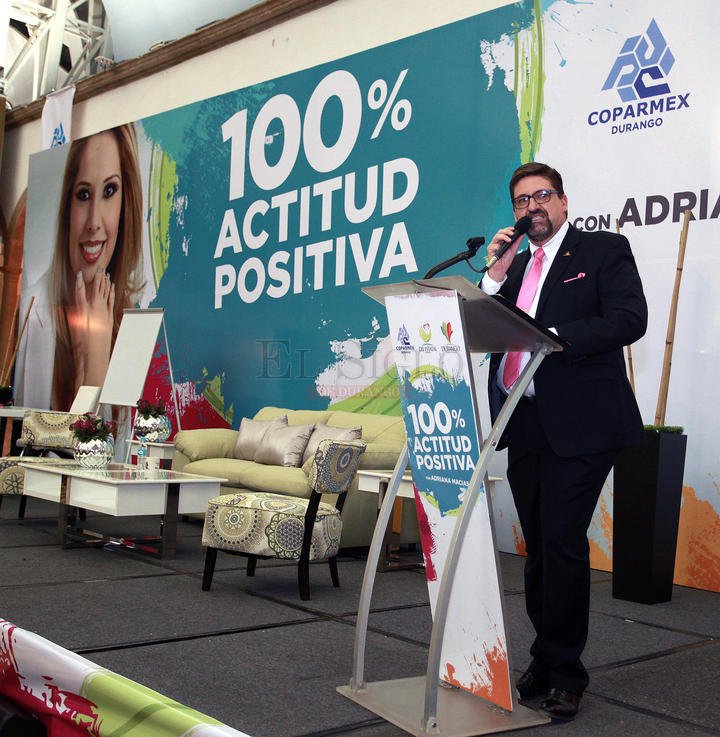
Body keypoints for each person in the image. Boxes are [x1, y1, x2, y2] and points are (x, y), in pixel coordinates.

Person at [480, 162, 647, 720]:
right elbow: (480, 329)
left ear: (564, 201)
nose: (533, 207)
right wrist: (493, 276)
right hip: (524, 423)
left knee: (561, 543)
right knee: (538, 551)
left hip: (582, 425)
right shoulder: (513, 267)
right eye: (521, 201)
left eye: (542, 195)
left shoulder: (602, 251)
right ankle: (546, 658)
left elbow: (629, 319)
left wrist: (552, 337)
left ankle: (566, 674)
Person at [48, 124, 144, 411]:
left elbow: (103, 437)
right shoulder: (40, 317)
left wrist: (97, 349)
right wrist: (86, 355)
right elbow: (79, 432)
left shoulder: (135, 325)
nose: (93, 222)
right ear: (67, 205)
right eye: (83, 195)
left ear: (125, 203)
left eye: (109, 190)